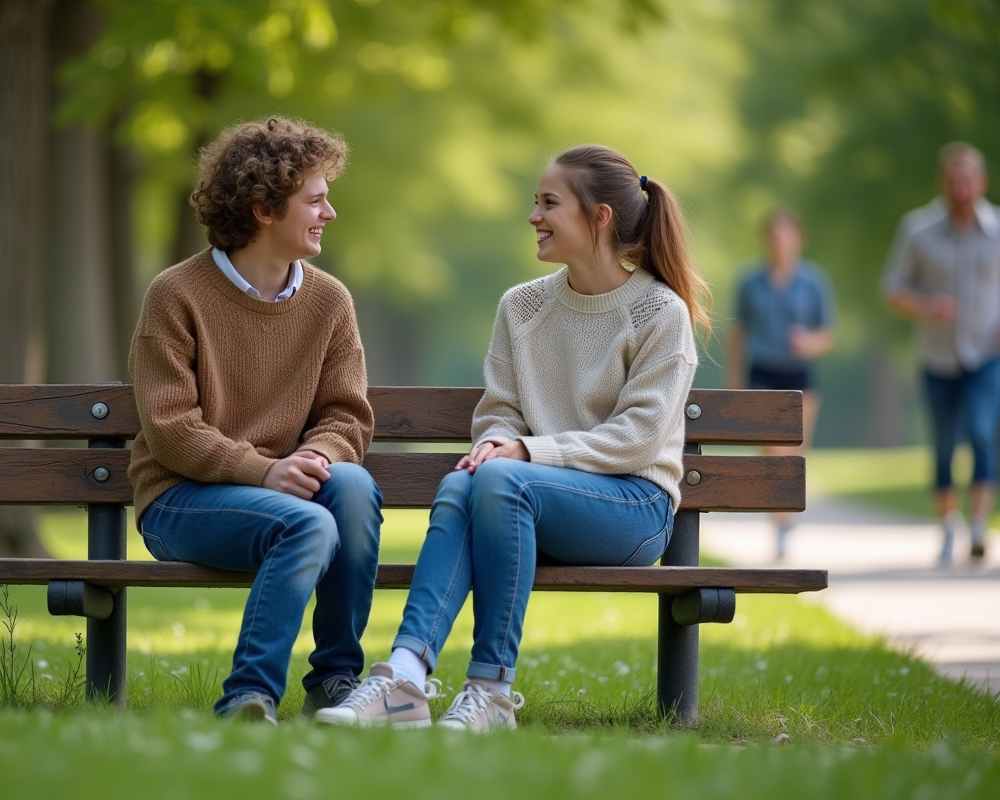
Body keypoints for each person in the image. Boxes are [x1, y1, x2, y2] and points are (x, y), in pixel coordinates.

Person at [317, 144, 710, 731]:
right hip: (523, 502)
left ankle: (491, 689)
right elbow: (500, 410)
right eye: (535, 202)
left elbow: (637, 437)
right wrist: (494, 445)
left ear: (599, 217)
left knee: (499, 479)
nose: (534, 216)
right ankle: (403, 678)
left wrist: (526, 452)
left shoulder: (659, 311)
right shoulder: (521, 307)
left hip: (631, 508)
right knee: (464, 482)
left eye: (549, 203)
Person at [128, 116, 383, 724]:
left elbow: (346, 414)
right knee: (308, 526)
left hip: (287, 488)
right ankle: (249, 695)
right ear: (266, 210)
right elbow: (169, 427)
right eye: (316, 200)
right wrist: (263, 470)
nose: (331, 213)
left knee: (350, 486)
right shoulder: (176, 294)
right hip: (183, 498)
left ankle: (335, 681)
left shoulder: (330, 301)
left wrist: (318, 458)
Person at [883, 142, 1000, 565]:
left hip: (987, 353)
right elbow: (893, 290)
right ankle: (947, 525)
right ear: (944, 183)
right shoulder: (918, 230)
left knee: (981, 431)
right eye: (954, 181)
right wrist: (925, 305)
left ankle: (978, 525)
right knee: (942, 444)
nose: (961, 189)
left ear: (981, 183)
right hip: (936, 357)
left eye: (968, 181)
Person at [726, 210, 835, 559]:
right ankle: (781, 525)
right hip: (763, 372)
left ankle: (785, 519)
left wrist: (810, 342)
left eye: (786, 235)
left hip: (800, 374)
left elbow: (827, 334)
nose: (780, 242)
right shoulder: (749, 282)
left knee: (796, 455)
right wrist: (734, 380)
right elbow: (739, 333)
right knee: (773, 452)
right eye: (774, 235)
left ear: (798, 239)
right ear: (766, 240)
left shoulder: (815, 281)